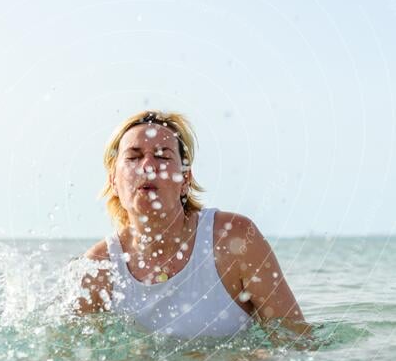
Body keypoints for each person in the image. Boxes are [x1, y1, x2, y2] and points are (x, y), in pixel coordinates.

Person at [76, 110, 312, 343]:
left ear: (185, 180)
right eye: (133, 157)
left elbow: (298, 343)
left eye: (162, 156)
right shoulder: (99, 268)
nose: (148, 165)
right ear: (113, 181)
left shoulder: (232, 239)